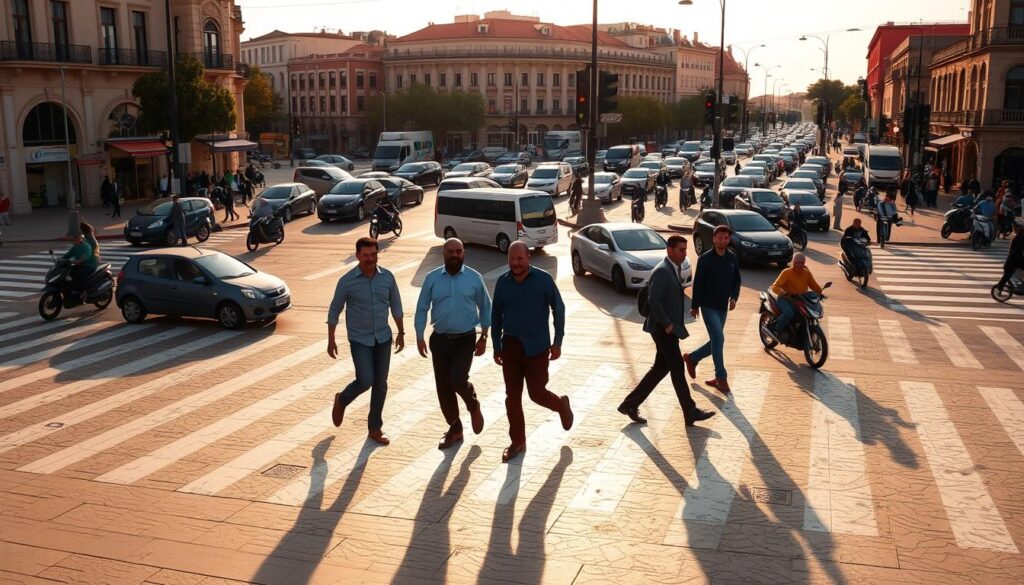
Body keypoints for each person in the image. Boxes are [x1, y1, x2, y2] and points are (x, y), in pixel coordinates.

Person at [618, 235, 715, 426]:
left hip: (666, 329)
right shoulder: (663, 271)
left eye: (686, 250)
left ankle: (629, 404)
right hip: (663, 329)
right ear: (669, 250)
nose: (684, 253)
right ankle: (690, 411)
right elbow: (654, 300)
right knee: (677, 368)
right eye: (681, 250)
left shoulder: (672, 268)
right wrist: (667, 323)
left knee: (660, 368)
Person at [490, 241, 574, 463]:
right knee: (512, 398)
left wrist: (558, 341)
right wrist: (496, 346)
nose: (515, 263)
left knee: (536, 393)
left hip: (537, 348)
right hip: (511, 348)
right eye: (511, 259)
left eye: (520, 258)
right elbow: (496, 315)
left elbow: (559, 308)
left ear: (529, 258)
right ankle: (517, 441)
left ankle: (561, 405)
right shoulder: (502, 283)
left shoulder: (543, 280)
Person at [327, 237, 405, 445]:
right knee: (366, 379)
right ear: (357, 256)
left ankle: (375, 427)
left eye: (373, 255)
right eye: (366, 255)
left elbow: (396, 305)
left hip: (383, 337)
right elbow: (335, 309)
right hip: (360, 339)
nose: (370, 259)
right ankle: (342, 399)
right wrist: (331, 339)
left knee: (380, 384)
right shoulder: (347, 281)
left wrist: (401, 332)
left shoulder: (387, 277)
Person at [415, 238, 491, 450]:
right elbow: (422, 308)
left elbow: (486, 307)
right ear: (444, 254)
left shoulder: (475, 278)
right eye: (451, 252)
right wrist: (419, 335)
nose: (455, 255)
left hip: (466, 339)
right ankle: (455, 428)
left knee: (457, 379)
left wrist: (484, 336)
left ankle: (473, 404)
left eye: (458, 251)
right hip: (439, 340)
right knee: (443, 387)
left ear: (463, 253)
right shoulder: (432, 278)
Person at [684, 225, 741, 394]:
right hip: (708, 306)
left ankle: (692, 358)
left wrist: (734, 297)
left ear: (728, 240)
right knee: (719, 339)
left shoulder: (732, 258)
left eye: (726, 238)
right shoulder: (705, 259)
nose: (723, 240)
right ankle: (721, 378)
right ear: (714, 238)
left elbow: (737, 280)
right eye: (720, 237)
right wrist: (695, 306)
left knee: (716, 341)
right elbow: (698, 284)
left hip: (722, 307)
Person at [768, 253, 823, 338]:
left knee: (808, 314)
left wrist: (821, 292)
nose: (799, 265)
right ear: (793, 263)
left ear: (804, 263)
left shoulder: (806, 273)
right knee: (789, 313)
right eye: (797, 262)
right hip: (785, 299)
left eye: (801, 263)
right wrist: (784, 292)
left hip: (801, 300)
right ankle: (777, 329)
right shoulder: (786, 272)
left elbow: (814, 285)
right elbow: (775, 287)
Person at [63, 232, 96, 297]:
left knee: (79, 275)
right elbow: (68, 254)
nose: (74, 241)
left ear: (80, 239)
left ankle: (85, 292)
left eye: (75, 239)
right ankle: (74, 290)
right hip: (80, 265)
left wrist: (77, 261)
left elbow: (86, 256)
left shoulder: (86, 246)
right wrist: (61, 259)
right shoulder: (75, 246)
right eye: (73, 239)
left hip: (90, 265)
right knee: (69, 273)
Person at [996, 218, 1024, 292]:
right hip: (1017, 259)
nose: (1013, 228)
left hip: (1016, 260)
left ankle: (1000, 286)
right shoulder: (1019, 236)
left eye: (1015, 226)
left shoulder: (1020, 237)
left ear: (1019, 227)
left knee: (1007, 272)